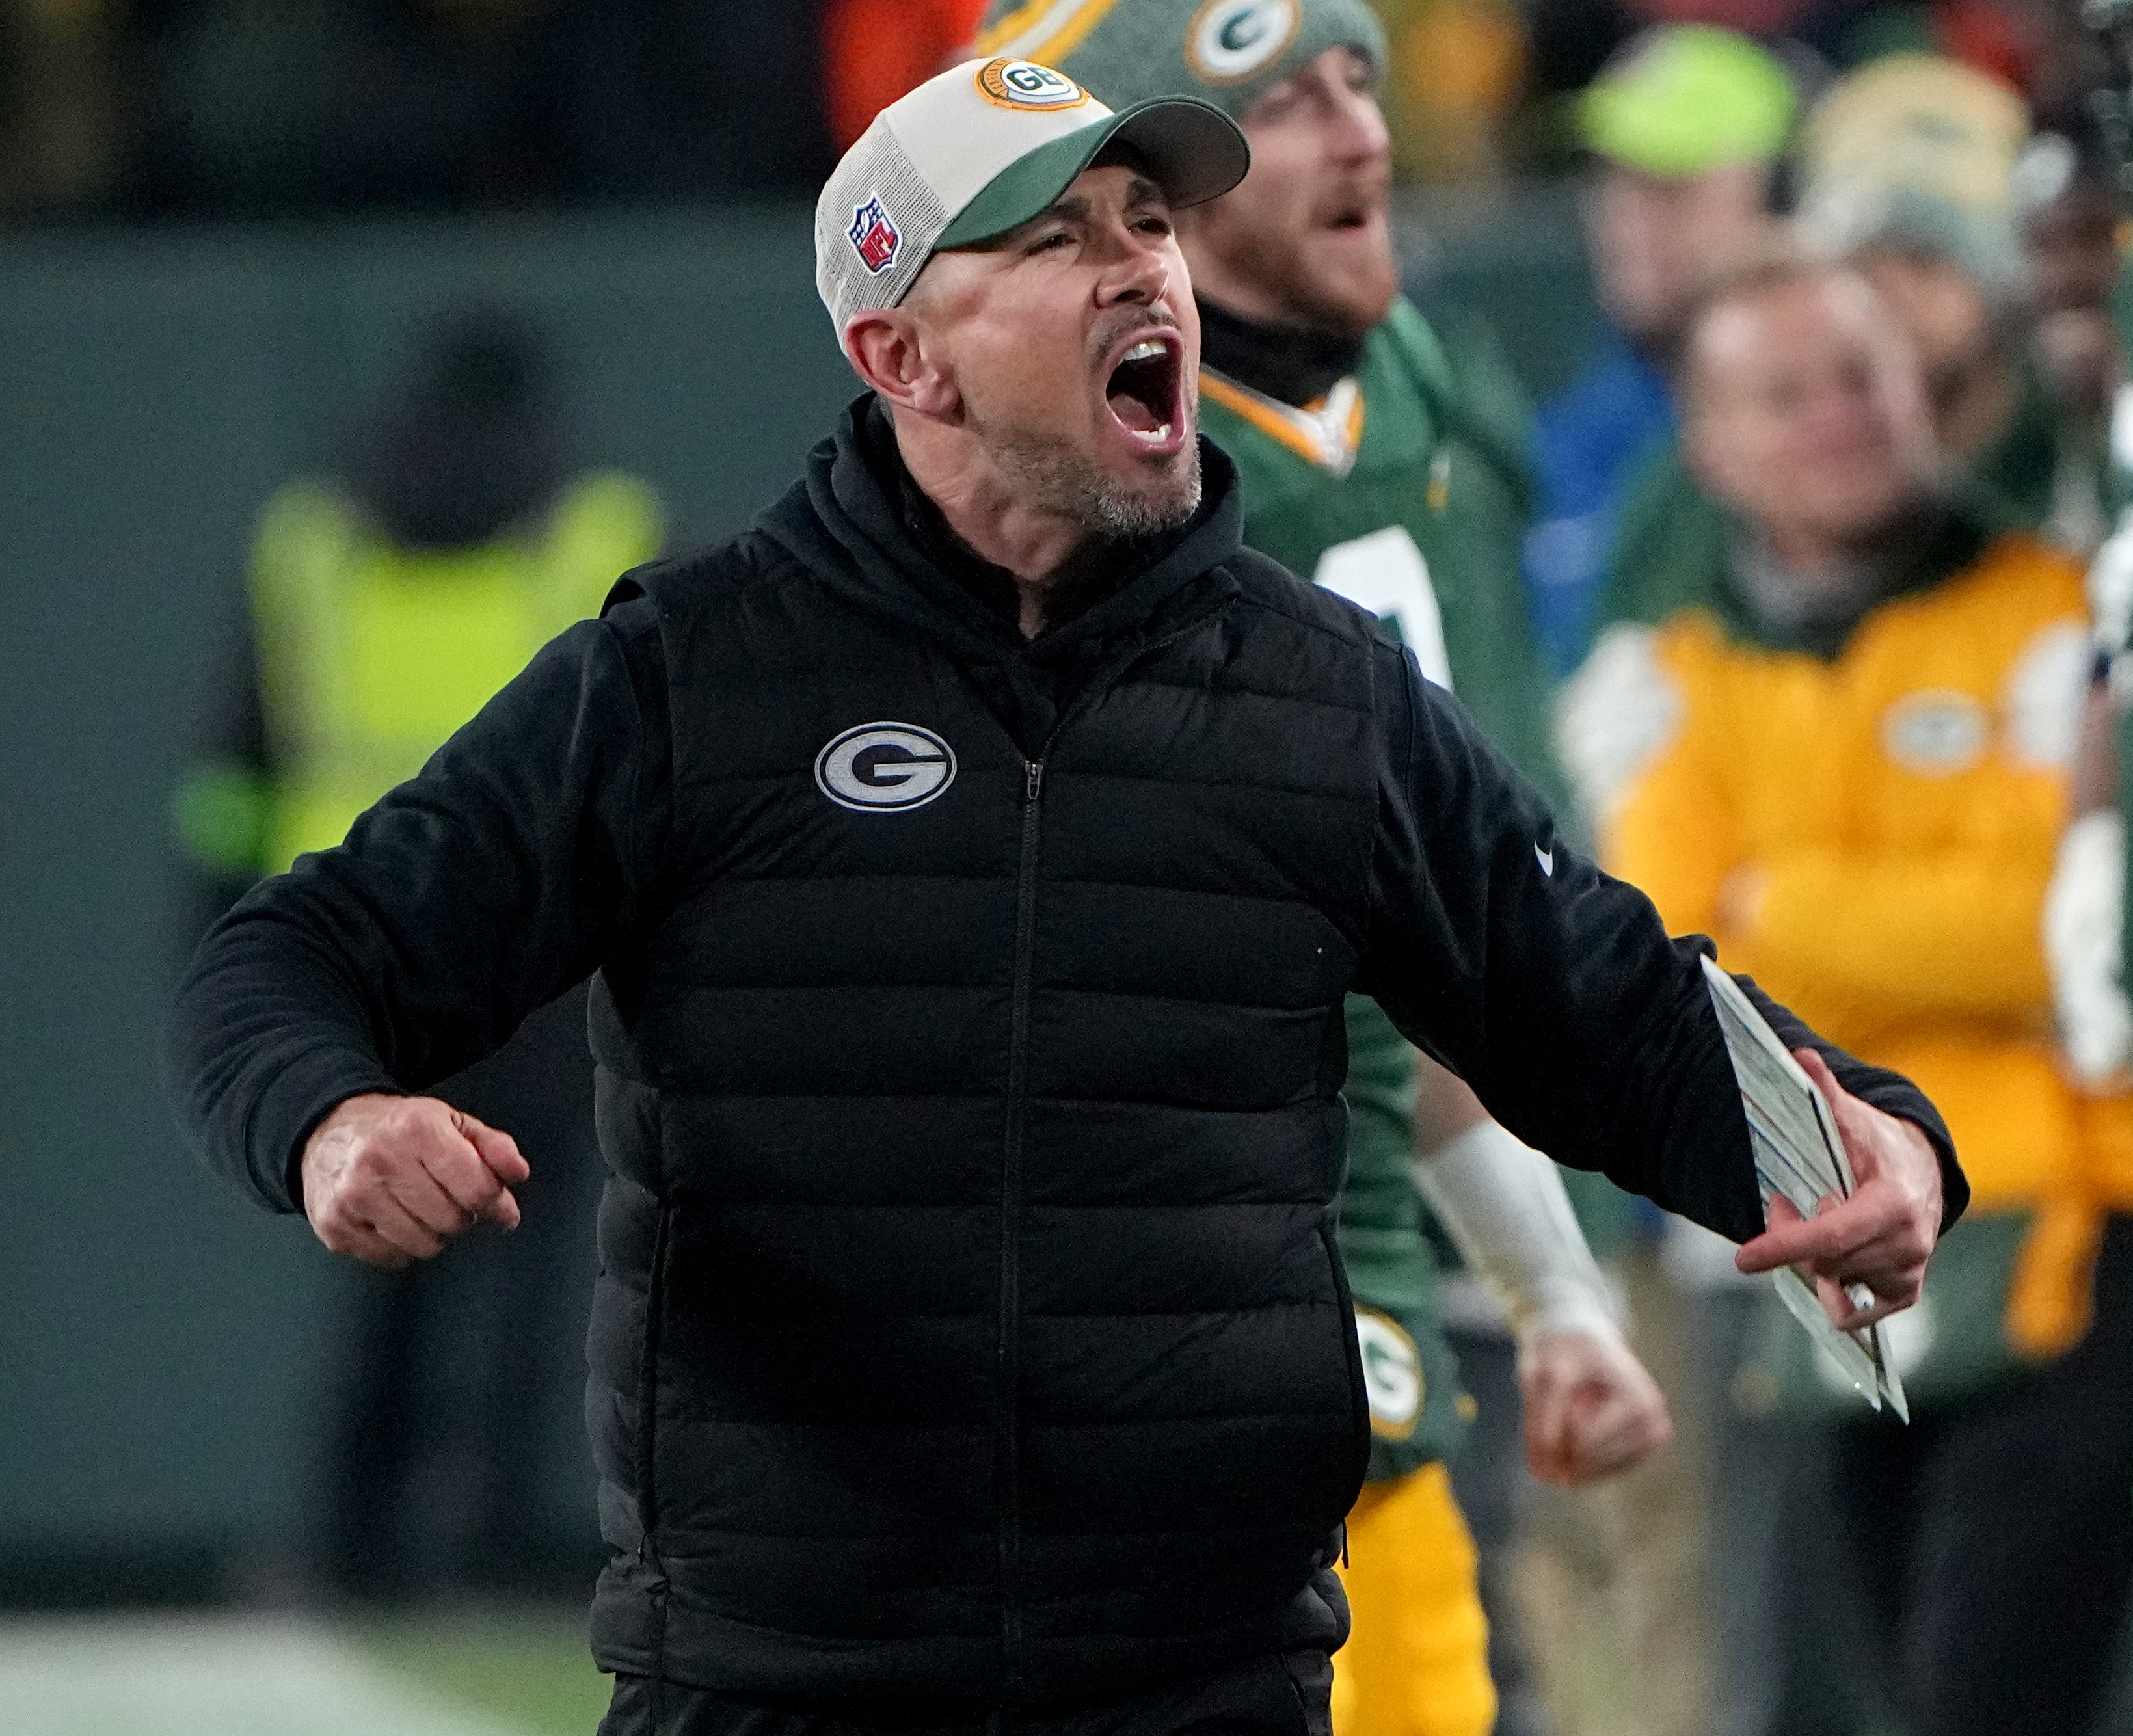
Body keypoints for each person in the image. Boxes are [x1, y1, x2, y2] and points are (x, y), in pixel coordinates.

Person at [172, 60, 1959, 1736]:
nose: (1144, 275)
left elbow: (1593, 995)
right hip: (781, 1683)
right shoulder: (687, 679)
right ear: (906, 356)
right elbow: (298, 946)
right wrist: (327, 1115)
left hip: (1202, 1683)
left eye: (1150, 226)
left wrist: (1869, 1135)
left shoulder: (1315, 696)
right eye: (1054, 242)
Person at [969, 7, 1667, 1733]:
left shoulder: (1395, 366)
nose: (1355, 132)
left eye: (1356, 82)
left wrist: (1550, 1280)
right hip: (1208, 1258)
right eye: (1279, 106)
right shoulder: (1099, 506)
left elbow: (1390, 949)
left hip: (1411, 1164)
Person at [1562, 252, 2133, 1736]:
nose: (1836, 417)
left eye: (1860, 375)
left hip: (2074, 1242)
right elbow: (1681, 978)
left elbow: (2054, 934)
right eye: (1783, 391)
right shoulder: (1681, 677)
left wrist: (1789, 901)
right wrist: (1887, 925)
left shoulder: (2064, 610)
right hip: (1834, 1279)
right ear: (1707, 444)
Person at [172, 308, 664, 1596]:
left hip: (355, 955)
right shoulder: (597, 527)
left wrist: (221, 927)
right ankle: (489, 1546)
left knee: (375, 1252)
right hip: (544, 962)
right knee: (524, 1264)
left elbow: (229, 773)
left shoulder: (309, 539)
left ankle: (343, 1540)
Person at [1523, 23, 1795, 672]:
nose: (1629, 222)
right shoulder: (1558, 442)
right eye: (1611, 184)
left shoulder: (1840, 425)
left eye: (1672, 187)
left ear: (1774, 200)